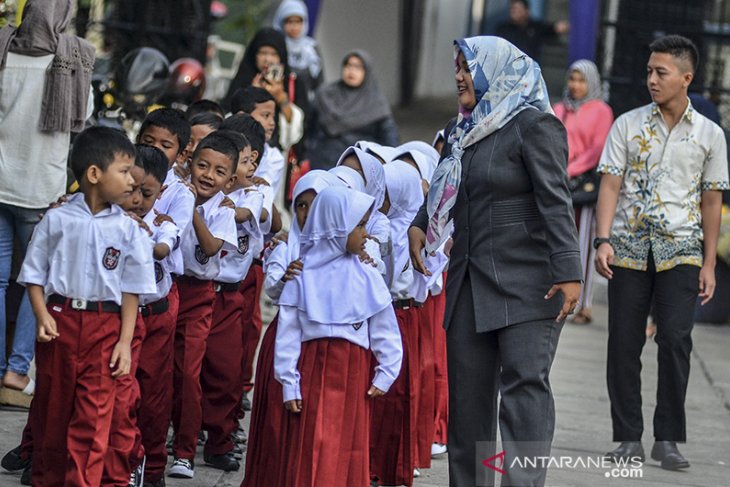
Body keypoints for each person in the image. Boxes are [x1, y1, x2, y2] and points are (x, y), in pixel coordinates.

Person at [409, 36, 582, 486]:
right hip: (469, 282)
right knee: (469, 405)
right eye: (459, 67)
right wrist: (420, 222)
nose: (460, 76)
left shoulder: (534, 126)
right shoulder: (462, 129)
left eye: (469, 68)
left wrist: (569, 271)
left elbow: (556, 201)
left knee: (524, 393)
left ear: (497, 71)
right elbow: (444, 187)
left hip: (530, 282)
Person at [595, 35, 728, 471]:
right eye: (649, 71)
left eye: (661, 72)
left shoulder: (710, 134)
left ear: (686, 78)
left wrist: (709, 262)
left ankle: (667, 438)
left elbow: (712, 200)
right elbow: (610, 184)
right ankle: (628, 438)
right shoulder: (627, 125)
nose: (651, 79)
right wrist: (603, 240)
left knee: (675, 340)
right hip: (629, 248)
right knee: (623, 344)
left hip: (683, 250)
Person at [17, 127, 155, 486]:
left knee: (93, 420)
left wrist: (125, 342)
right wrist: (41, 312)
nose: (131, 181)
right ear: (94, 174)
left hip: (105, 329)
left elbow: (131, 292)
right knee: (53, 412)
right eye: (124, 172)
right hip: (60, 324)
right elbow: (33, 272)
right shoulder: (58, 219)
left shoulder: (128, 230)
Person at [275, 185, 403, 487]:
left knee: (348, 442)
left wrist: (386, 373)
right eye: (358, 225)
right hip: (311, 369)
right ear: (335, 226)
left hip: (354, 371)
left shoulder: (367, 274)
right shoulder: (302, 275)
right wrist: (288, 382)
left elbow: (386, 330)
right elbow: (288, 332)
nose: (364, 233)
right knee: (312, 440)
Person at [0, 0, 95, 396]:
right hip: (41, 191)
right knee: (35, 280)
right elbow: (83, 115)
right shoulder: (74, 56)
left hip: (0, 181)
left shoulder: (4, 50)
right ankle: (18, 371)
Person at [243, 169, 340, 487]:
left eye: (315, 205)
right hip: (286, 339)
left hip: (321, 346)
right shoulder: (286, 247)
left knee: (313, 426)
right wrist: (286, 278)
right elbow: (271, 289)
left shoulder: (343, 252)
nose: (307, 213)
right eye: (300, 205)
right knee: (277, 419)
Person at [169, 132, 238, 479]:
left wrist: (191, 208)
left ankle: (184, 451)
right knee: (156, 371)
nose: (208, 175)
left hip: (199, 295)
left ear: (230, 179)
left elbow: (210, 247)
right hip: (166, 288)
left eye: (219, 171)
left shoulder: (221, 210)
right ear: (189, 164)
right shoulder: (173, 191)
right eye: (203, 166)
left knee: (188, 374)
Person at [200, 131, 264, 473]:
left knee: (225, 372)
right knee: (187, 371)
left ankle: (219, 440)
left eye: (253, 160)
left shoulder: (251, 195)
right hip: (197, 291)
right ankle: (185, 433)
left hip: (229, 295)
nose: (250, 166)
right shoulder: (194, 196)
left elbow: (245, 215)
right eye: (244, 160)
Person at [127, 145, 181, 487]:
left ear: (160, 191)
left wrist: (139, 234)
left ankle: (154, 466)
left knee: (154, 397)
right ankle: (125, 461)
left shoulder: (162, 224)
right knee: (123, 394)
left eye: (146, 194)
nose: (136, 201)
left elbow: (163, 249)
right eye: (130, 190)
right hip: (122, 318)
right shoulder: (111, 218)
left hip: (156, 314)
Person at [370, 159, 425, 487]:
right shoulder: (379, 224)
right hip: (380, 314)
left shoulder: (416, 229)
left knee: (397, 397)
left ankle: (389, 471)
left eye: (388, 193)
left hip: (402, 316)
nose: (381, 199)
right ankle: (369, 466)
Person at [553, 60, 614, 325]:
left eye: (582, 80)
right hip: (556, 183)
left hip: (582, 188)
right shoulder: (559, 109)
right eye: (572, 79)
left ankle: (584, 305)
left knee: (582, 246)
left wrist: (571, 169)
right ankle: (558, 298)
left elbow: (597, 150)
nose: (576, 85)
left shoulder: (601, 110)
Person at [307, 50, 399, 170]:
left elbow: (390, 139)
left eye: (358, 67)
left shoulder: (376, 102)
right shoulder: (325, 94)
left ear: (367, 72)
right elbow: (309, 127)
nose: (352, 71)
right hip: (323, 163)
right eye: (348, 65)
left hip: (360, 166)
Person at [223, 27, 309, 150]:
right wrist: (251, 95)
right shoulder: (243, 79)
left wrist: (282, 99)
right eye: (263, 53)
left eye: (274, 54)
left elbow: (297, 131)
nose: (267, 59)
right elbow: (228, 116)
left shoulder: (294, 83)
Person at [272, 0, 324, 101]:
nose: (294, 27)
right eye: (289, 21)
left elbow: (319, 82)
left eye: (298, 21)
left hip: (305, 104)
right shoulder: (276, 46)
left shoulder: (311, 48)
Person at [495, 0, 568, 65]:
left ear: (527, 11)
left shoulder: (535, 27)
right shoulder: (503, 29)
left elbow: (556, 28)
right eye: (513, 10)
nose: (514, 12)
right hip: (508, 69)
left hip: (530, 69)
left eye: (518, 10)